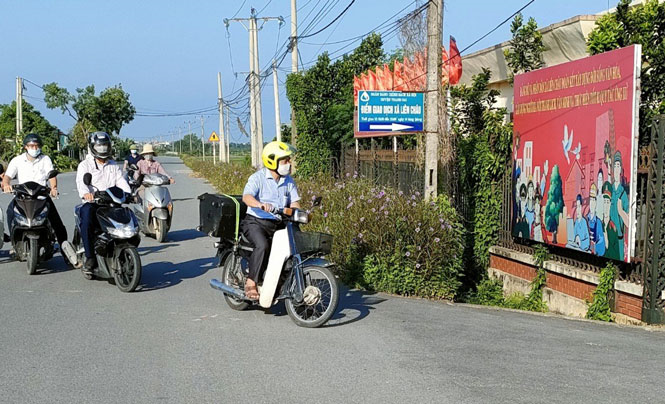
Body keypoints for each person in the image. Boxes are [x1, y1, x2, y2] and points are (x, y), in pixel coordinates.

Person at [240, 141, 300, 300]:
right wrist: (259, 205)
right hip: (256, 222)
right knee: (263, 245)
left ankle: (281, 283)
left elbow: (294, 202)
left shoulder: (288, 181)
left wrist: (298, 211)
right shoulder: (258, 178)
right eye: (285, 160)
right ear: (272, 161)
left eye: (289, 160)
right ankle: (251, 282)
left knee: (293, 247)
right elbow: (247, 197)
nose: (289, 163)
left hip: (279, 224)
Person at [2, 133, 76, 262]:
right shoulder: (17, 160)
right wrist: (7, 184)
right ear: (26, 146)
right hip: (23, 196)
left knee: (56, 221)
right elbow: (8, 176)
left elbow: (51, 176)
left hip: (41, 196)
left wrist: (53, 188)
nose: (34, 148)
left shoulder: (45, 159)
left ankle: (66, 251)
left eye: (37, 146)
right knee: (10, 212)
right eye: (31, 145)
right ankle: (15, 243)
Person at [76, 132, 131, 273]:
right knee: (87, 216)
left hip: (111, 202)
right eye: (99, 146)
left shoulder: (113, 165)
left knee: (128, 215)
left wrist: (129, 194)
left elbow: (121, 181)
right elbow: (81, 183)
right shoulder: (85, 165)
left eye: (105, 146)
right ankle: (89, 256)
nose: (103, 149)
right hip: (93, 202)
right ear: (93, 147)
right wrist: (86, 194)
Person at [587, 183, 605, 256]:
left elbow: (601, 243)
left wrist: (594, 246)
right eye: (590, 200)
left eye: (593, 200)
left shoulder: (598, 222)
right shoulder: (585, 220)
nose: (592, 203)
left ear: (596, 202)